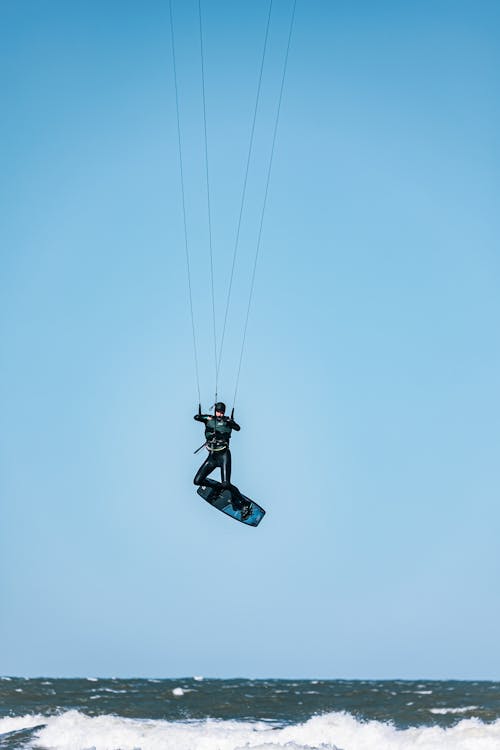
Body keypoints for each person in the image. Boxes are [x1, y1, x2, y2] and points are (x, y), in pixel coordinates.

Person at [193, 401, 251, 518]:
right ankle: (217, 488)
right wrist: (201, 416)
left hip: (224, 455)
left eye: (222, 412)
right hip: (212, 457)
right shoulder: (209, 419)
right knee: (197, 481)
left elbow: (238, 428)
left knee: (226, 483)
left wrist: (231, 422)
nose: (220, 414)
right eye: (218, 412)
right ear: (215, 411)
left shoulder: (227, 422)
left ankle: (245, 504)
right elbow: (196, 417)